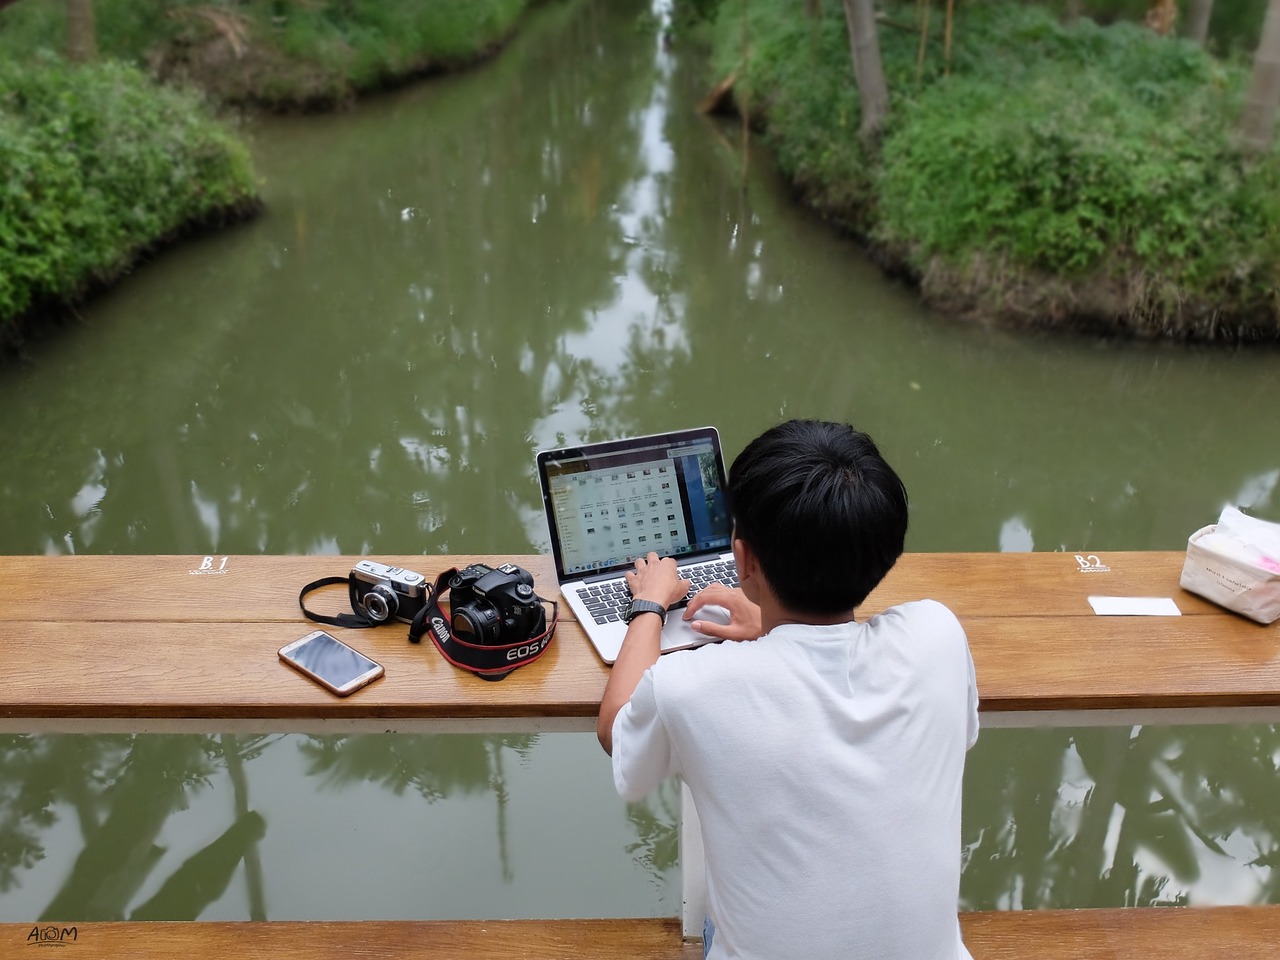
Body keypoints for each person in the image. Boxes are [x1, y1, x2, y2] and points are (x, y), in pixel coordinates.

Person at [597, 419, 978, 960]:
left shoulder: (694, 688)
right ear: (887, 548)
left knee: (716, 919)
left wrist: (650, 604)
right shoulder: (938, 635)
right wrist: (771, 624)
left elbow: (617, 729)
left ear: (744, 558)